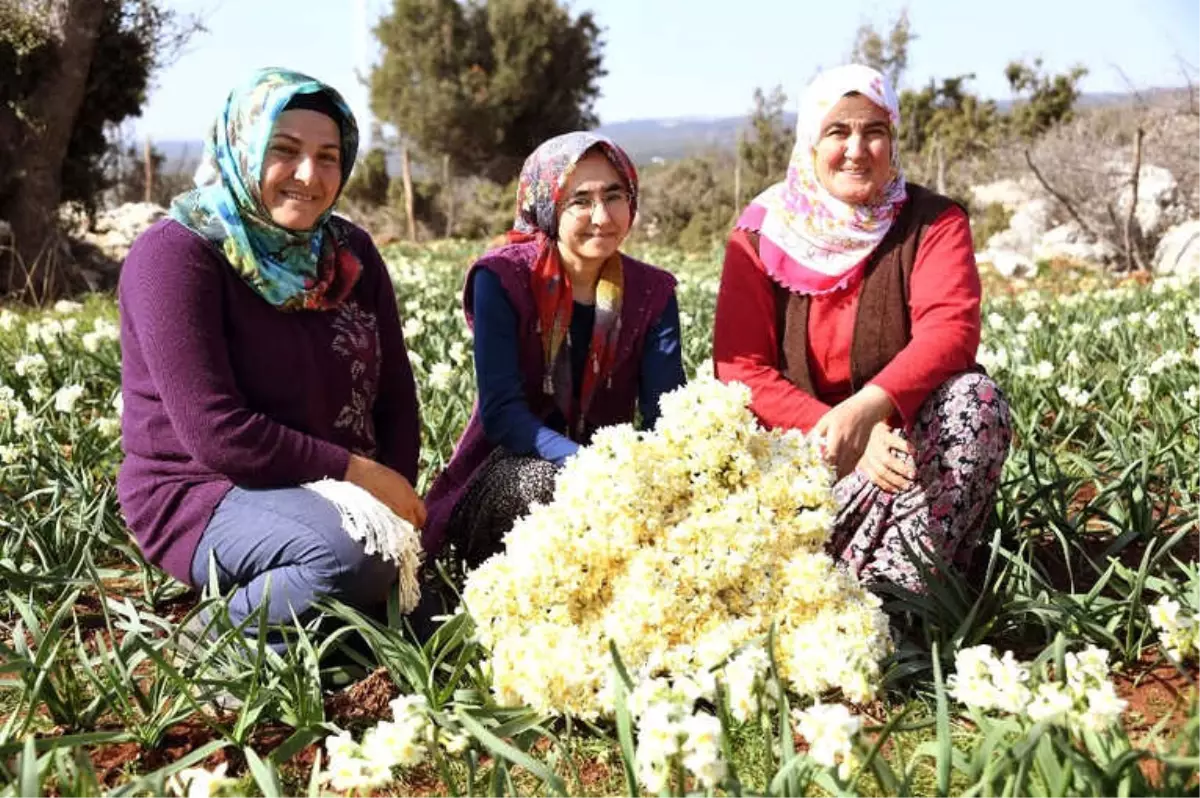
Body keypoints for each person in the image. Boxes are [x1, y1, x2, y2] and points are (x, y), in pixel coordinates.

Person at [118, 68, 425, 649]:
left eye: (328, 157)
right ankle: (209, 642)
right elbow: (217, 433)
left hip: (326, 487)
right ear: (242, 147)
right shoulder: (176, 257)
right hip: (204, 490)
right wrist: (363, 477)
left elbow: (393, 392)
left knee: (403, 586)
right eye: (284, 151)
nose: (309, 176)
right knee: (352, 558)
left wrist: (397, 497)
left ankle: (313, 632)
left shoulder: (348, 252)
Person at [713, 64, 1012, 591]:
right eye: (838, 132)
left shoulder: (933, 222)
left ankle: (895, 597)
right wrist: (841, 436)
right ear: (810, 142)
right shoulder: (761, 235)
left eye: (874, 132)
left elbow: (950, 331)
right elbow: (742, 370)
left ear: (892, 141)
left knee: (975, 401)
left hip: (902, 446)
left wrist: (871, 411)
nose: (857, 149)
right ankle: (823, 587)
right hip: (800, 454)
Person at [423, 132, 686, 568]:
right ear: (547, 205)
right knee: (544, 484)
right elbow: (503, 415)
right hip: (509, 470)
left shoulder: (652, 292)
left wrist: (650, 477)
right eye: (579, 200)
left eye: (614, 196)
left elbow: (665, 413)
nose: (601, 216)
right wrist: (586, 465)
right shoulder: (503, 278)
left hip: (612, 477)